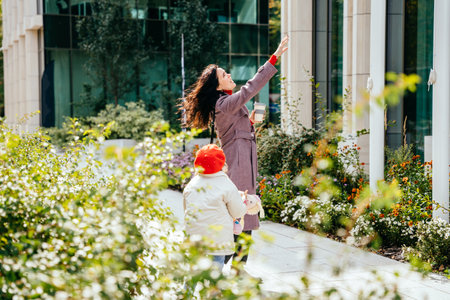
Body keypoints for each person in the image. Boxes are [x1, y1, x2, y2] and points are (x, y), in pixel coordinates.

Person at [182, 36, 289, 264]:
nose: (229, 75)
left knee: (244, 213)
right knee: (241, 213)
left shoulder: (225, 103)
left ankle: (235, 268)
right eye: (224, 75)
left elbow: (234, 131)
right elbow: (250, 88)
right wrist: (274, 57)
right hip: (239, 162)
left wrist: (249, 122)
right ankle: (221, 266)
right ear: (218, 85)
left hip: (243, 159)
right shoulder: (224, 104)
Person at [183, 144, 247, 270]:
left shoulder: (191, 185)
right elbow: (237, 212)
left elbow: (186, 209)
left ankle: (187, 289)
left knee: (192, 274)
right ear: (222, 164)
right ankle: (212, 288)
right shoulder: (226, 184)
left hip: (194, 238)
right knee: (215, 274)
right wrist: (243, 202)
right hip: (217, 240)